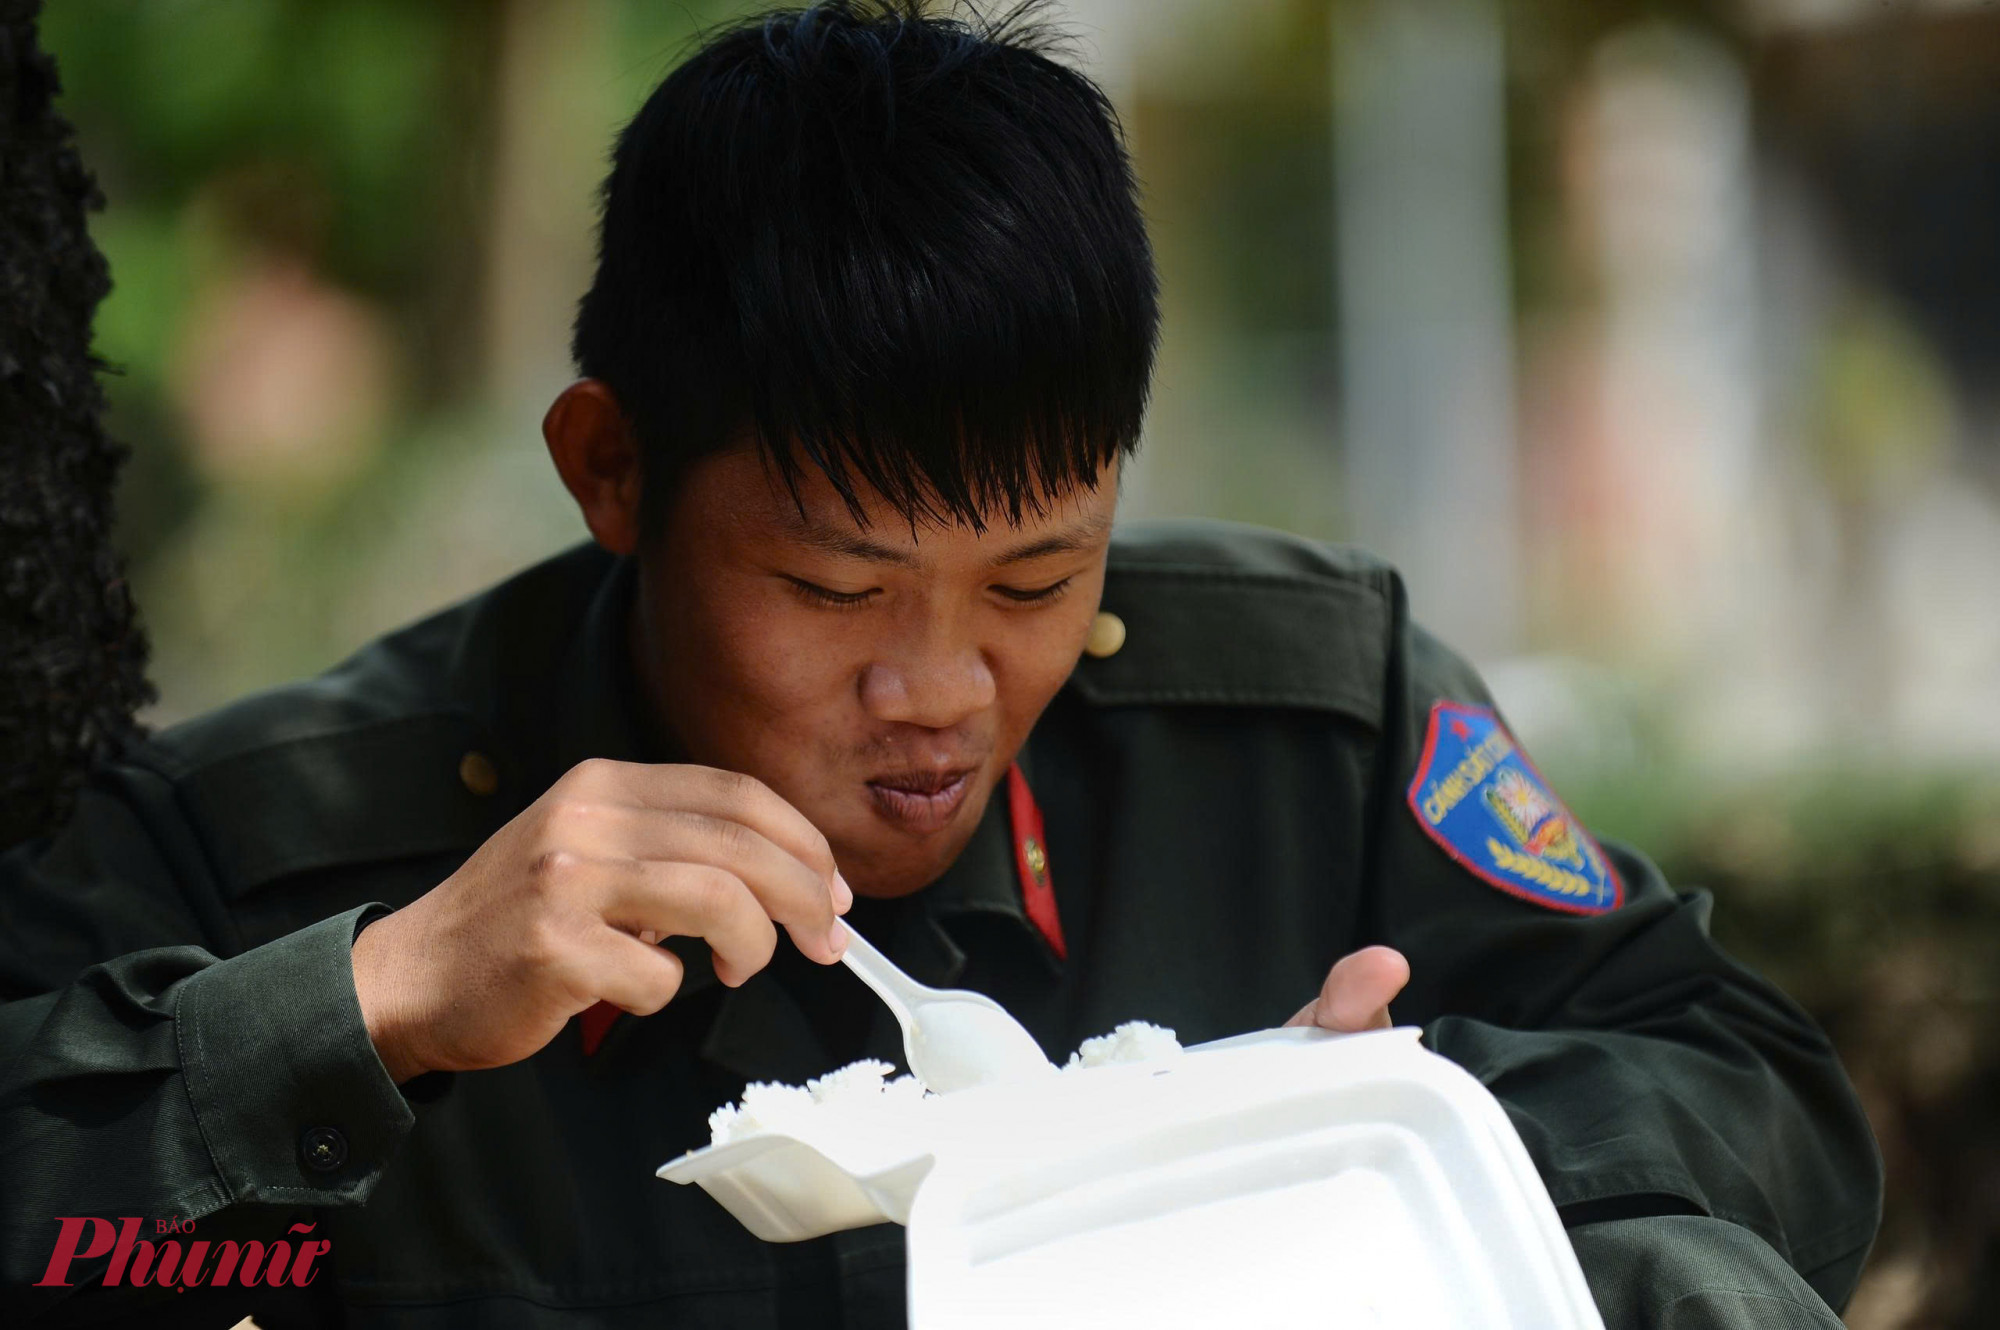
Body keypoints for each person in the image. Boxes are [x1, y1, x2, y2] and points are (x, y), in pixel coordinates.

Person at [1, 2, 1878, 1325]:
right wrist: (381, 1005)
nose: (943, 687)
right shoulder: (275, 851)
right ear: (612, 469)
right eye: (834, 589)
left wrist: (1352, 1145)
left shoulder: (1303, 729)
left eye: (1038, 575)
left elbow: (1771, 1109)